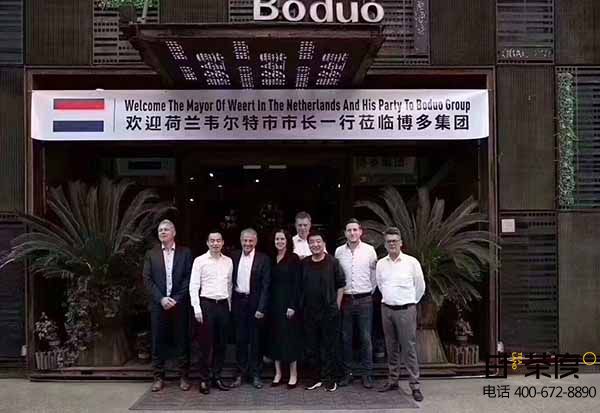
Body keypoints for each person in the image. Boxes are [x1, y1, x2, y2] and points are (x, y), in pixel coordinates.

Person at [376, 227, 425, 402]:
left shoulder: (412, 262)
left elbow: (420, 287)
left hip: (406, 310)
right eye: (389, 241)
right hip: (387, 310)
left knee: (408, 348)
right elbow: (380, 285)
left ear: (401, 243)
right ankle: (393, 380)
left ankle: (415, 385)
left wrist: (409, 302)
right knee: (391, 348)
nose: (392, 244)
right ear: (385, 244)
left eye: (395, 241)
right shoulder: (381, 264)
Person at [142, 219, 192, 392]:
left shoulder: (185, 253)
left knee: (181, 340)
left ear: (174, 233)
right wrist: (161, 299)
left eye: (166, 229)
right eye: (160, 230)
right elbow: (147, 279)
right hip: (159, 305)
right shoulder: (151, 254)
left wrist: (176, 298)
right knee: (158, 340)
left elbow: (189, 278)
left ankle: (183, 376)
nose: (162, 232)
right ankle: (158, 377)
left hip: (179, 304)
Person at [335, 218, 378, 389]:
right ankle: (348, 373)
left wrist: (368, 291)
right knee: (345, 338)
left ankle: (367, 374)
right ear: (345, 233)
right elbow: (337, 276)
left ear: (360, 232)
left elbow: (375, 276)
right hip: (346, 299)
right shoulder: (339, 252)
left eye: (355, 230)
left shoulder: (369, 250)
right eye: (349, 230)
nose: (352, 233)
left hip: (365, 299)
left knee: (365, 338)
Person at [301, 229, 345, 392]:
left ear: (324, 243)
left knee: (329, 346)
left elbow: (341, 284)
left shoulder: (332, 262)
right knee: (311, 346)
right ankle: (314, 377)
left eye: (318, 241)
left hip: (329, 312)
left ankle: (329, 378)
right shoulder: (305, 263)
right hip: (309, 312)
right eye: (312, 242)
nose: (315, 245)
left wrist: (336, 305)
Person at [189, 231, 233, 394]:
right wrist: (196, 308)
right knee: (205, 345)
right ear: (207, 243)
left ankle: (217, 376)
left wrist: (229, 306)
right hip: (206, 305)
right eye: (212, 241)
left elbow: (229, 285)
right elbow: (194, 285)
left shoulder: (228, 261)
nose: (215, 243)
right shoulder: (199, 261)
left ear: (222, 243)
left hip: (223, 305)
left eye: (218, 240)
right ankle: (204, 379)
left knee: (221, 344)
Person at [231, 228, 271, 389]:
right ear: (240, 241)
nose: (247, 243)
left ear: (256, 241)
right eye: (245, 240)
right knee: (240, 339)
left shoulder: (264, 259)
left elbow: (266, 286)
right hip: (238, 302)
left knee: (256, 340)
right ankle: (240, 373)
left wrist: (261, 308)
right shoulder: (233, 256)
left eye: (250, 241)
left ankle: (256, 374)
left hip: (255, 303)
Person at [267, 229, 301, 389]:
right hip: (274, 304)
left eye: (282, 239)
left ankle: (293, 374)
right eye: (277, 239)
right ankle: (278, 373)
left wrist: (292, 305)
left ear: (287, 241)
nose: (279, 242)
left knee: (290, 339)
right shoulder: (271, 258)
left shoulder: (293, 258)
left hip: (288, 304)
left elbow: (297, 284)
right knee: (275, 338)